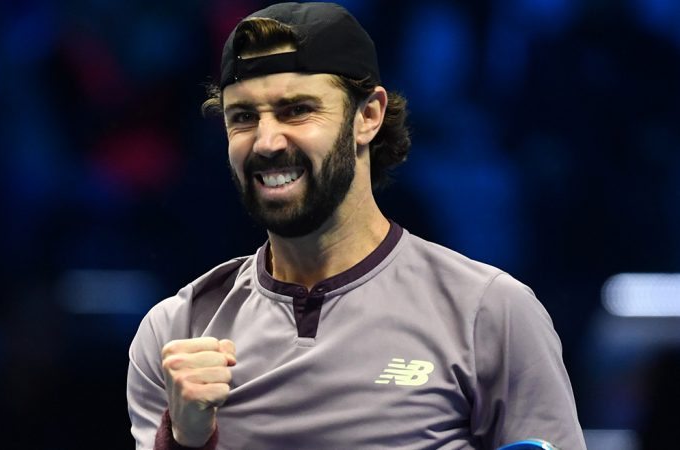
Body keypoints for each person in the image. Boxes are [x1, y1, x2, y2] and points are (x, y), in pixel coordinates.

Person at [127, 3, 586, 449]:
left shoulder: (490, 313)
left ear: (367, 116)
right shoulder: (175, 331)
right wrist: (185, 440)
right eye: (243, 117)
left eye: (297, 110)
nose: (266, 142)